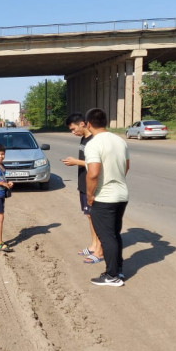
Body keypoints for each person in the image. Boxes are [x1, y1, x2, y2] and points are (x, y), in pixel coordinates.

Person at [84, 108, 130, 287]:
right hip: (121, 194)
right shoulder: (120, 141)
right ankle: (118, 269)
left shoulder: (93, 144)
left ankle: (112, 276)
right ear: (106, 122)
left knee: (106, 237)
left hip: (104, 197)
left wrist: (90, 195)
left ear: (88, 124)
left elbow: (93, 173)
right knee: (115, 234)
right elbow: (126, 167)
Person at [62, 113, 103, 264]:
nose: (73, 132)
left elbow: (96, 164)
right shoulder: (84, 139)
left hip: (91, 184)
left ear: (82, 124)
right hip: (83, 183)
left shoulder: (94, 139)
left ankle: (100, 250)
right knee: (89, 216)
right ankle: (93, 244)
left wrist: (76, 162)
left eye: (73, 129)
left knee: (96, 217)